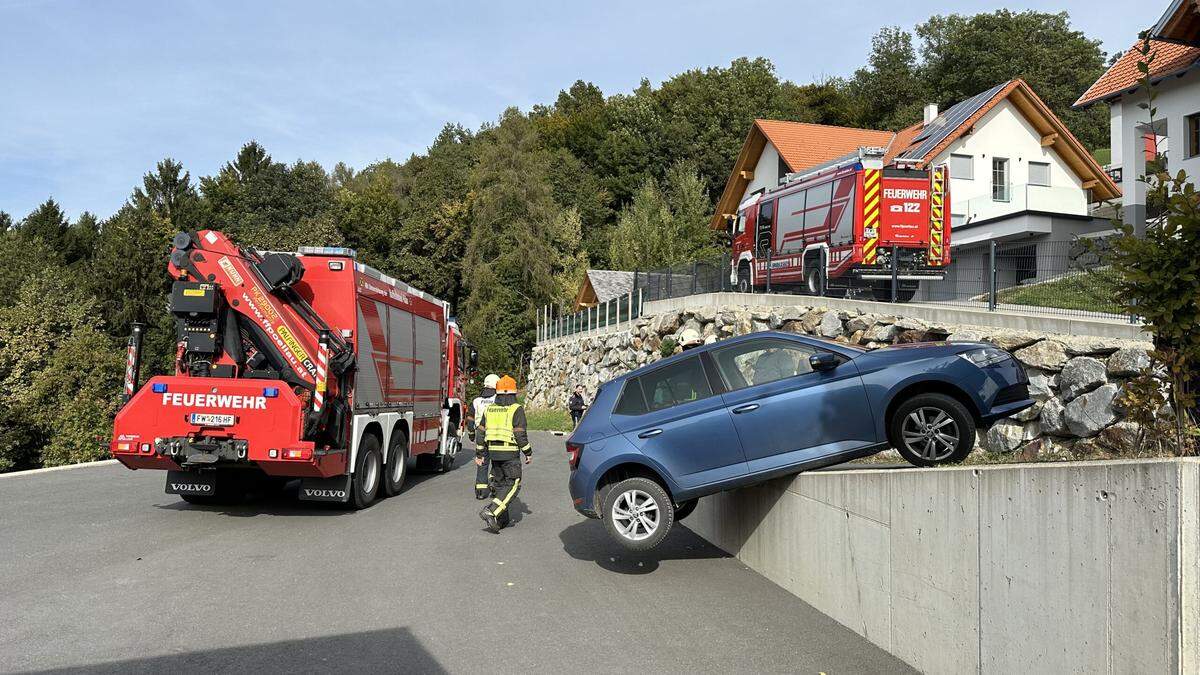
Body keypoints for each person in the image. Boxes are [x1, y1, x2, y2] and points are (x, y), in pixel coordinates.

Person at [475, 375, 532, 533]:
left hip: (493, 453)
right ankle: (492, 511)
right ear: (513, 393)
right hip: (510, 453)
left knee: (500, 485)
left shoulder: (489, 409)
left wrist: (480, 453)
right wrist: (528, 452)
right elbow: (520, 435)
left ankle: (500, 520)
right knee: (513, 484)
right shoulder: (516, 409)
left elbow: (480, 434)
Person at [466, 374, 499, 500]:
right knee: (497, 462)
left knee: (482, 461)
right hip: (495, 435)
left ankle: (480, 491)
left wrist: (471, 434)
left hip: (480, 435)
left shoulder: (476, 400)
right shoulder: (498, 399)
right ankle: (494, 485)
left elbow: (470, 420)